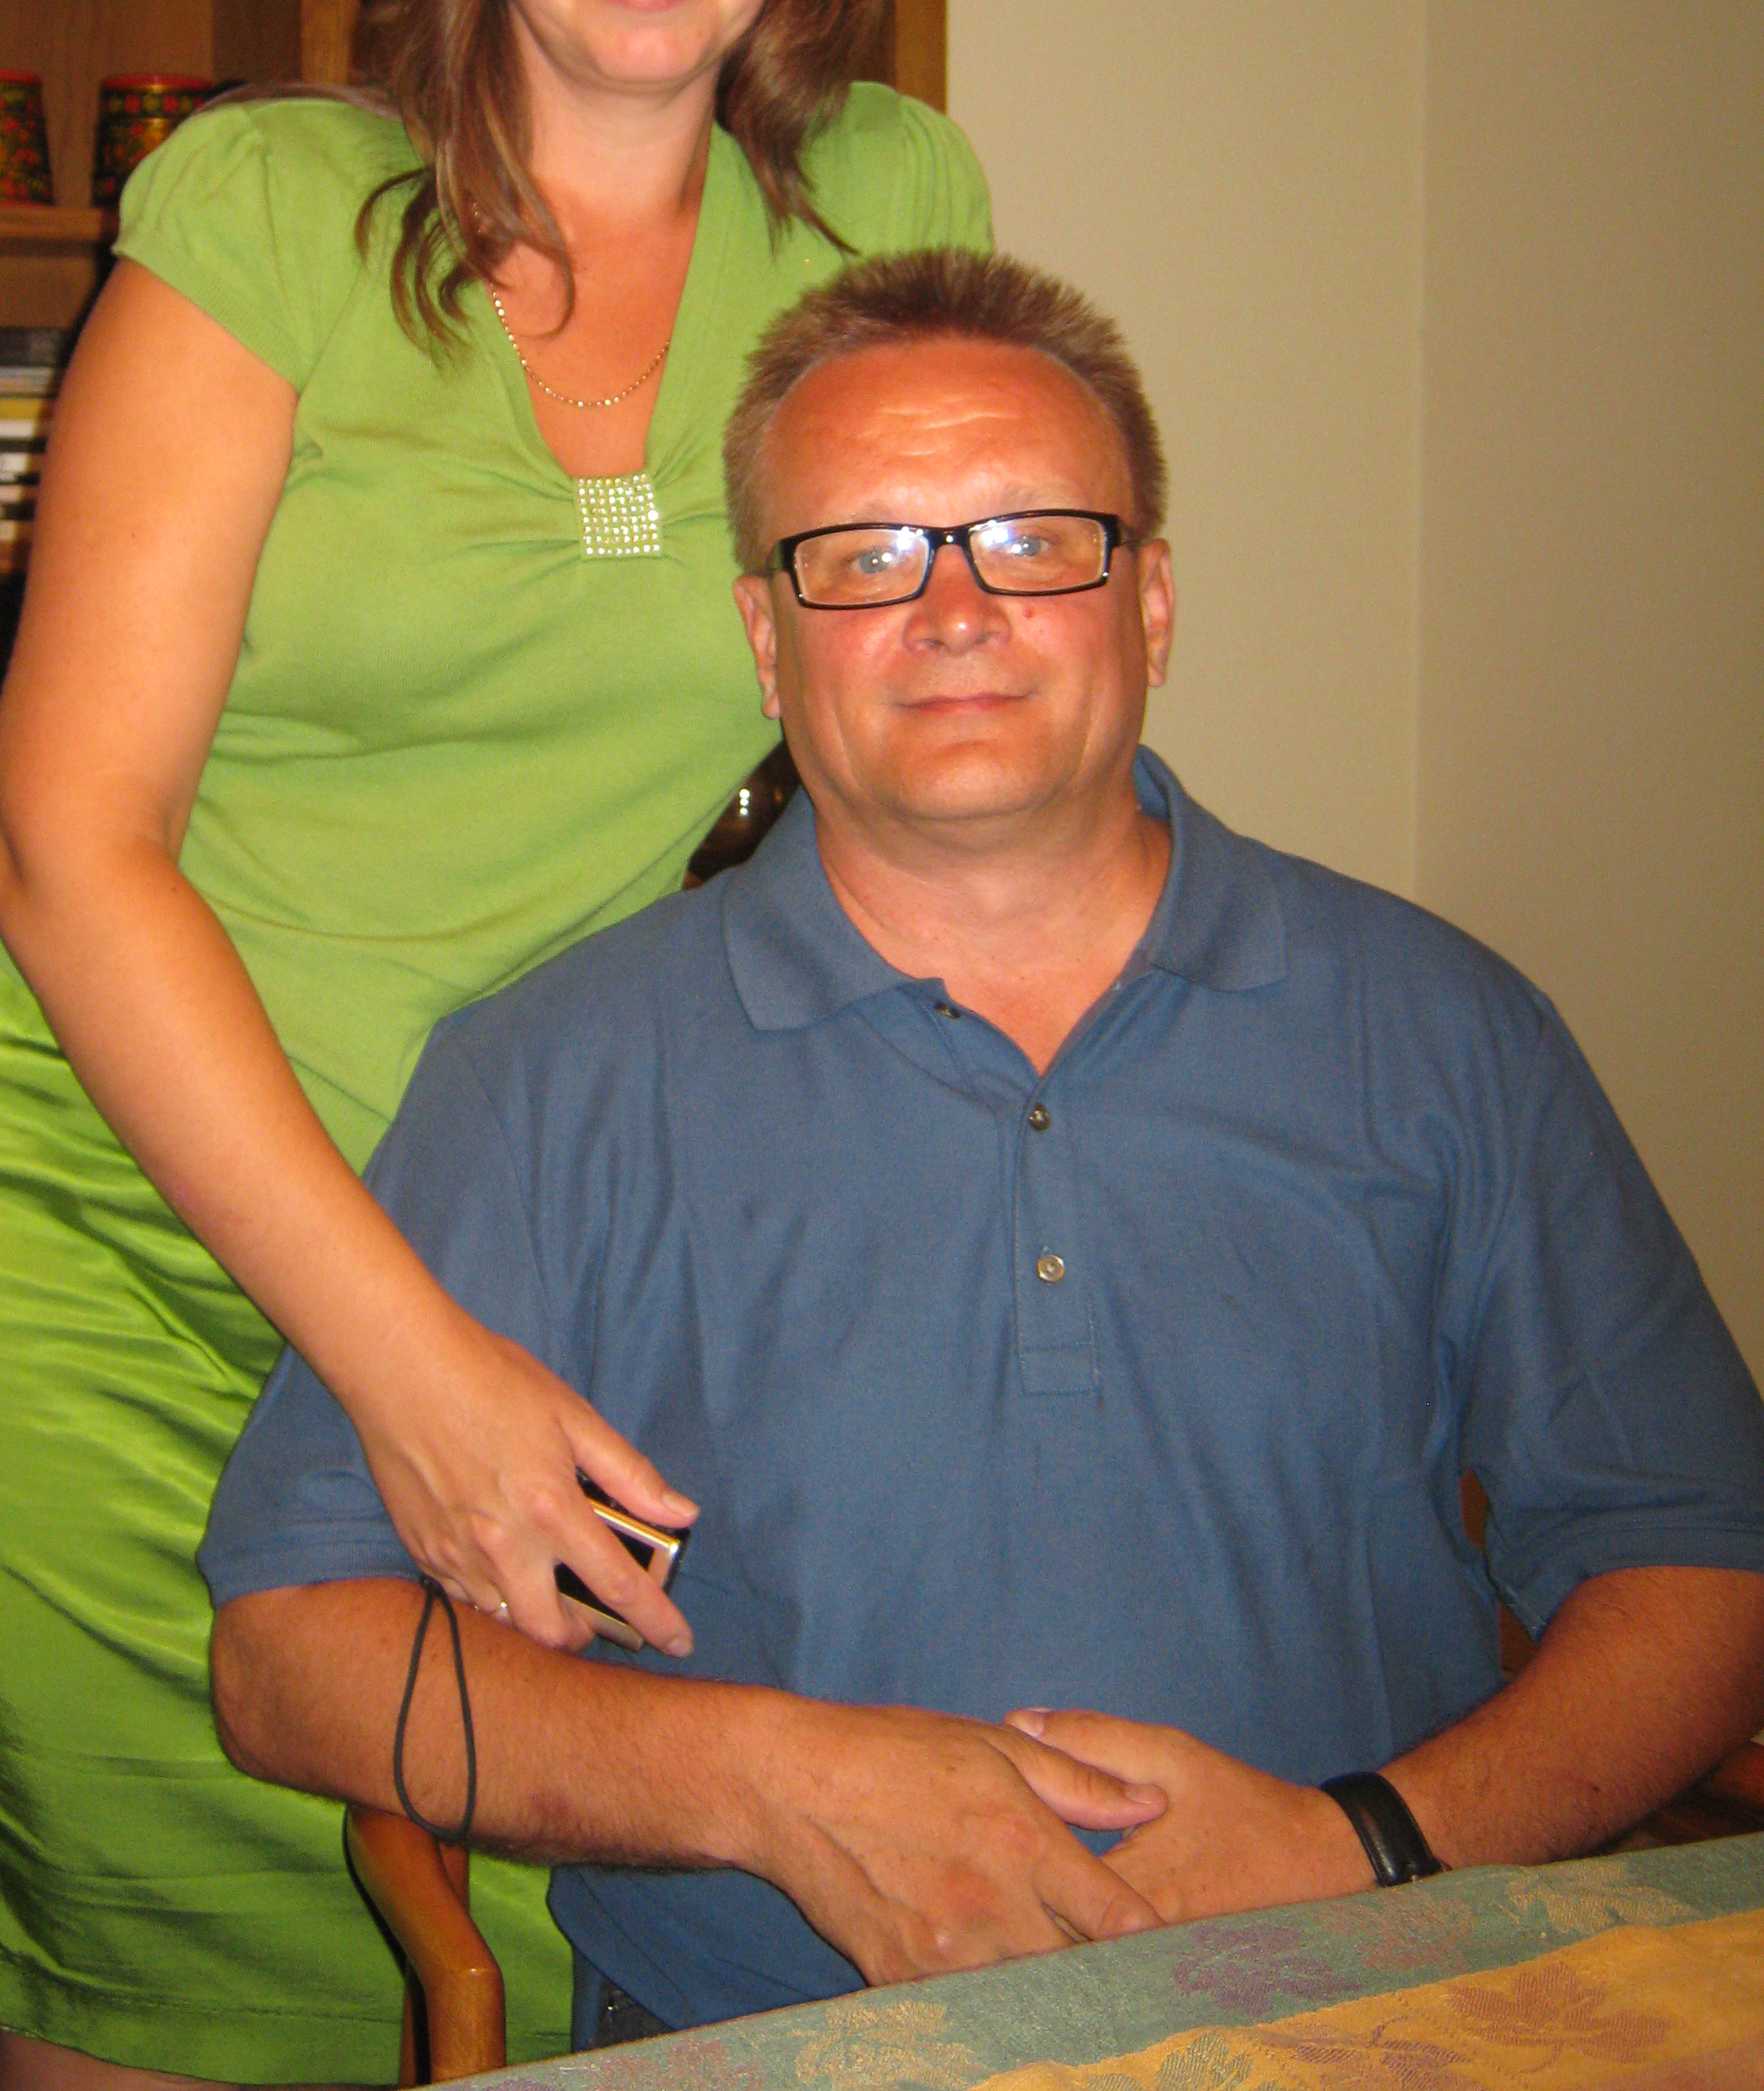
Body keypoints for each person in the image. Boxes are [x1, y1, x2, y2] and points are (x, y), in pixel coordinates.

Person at [0, 0, 990, 2089]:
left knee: (523, 1932)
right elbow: (66, 842)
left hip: (482, 1212)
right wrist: (406, 1368)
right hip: (79, 1214)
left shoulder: (893, 208)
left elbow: (929, 719)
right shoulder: (274, 212)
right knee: (146, 1973)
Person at [203, 246, 1764, 2043]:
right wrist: (777, 1790)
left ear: (1151, 606)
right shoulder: (549, 1078)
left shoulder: (1443, 1032)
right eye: (865, 556)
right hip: (774, 2048)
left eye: (1032, 539)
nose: (954, 611)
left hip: (1374, 2007)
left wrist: (1367, 1848)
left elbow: (1705, 1565)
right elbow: (291, 1652)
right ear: (766, 642)